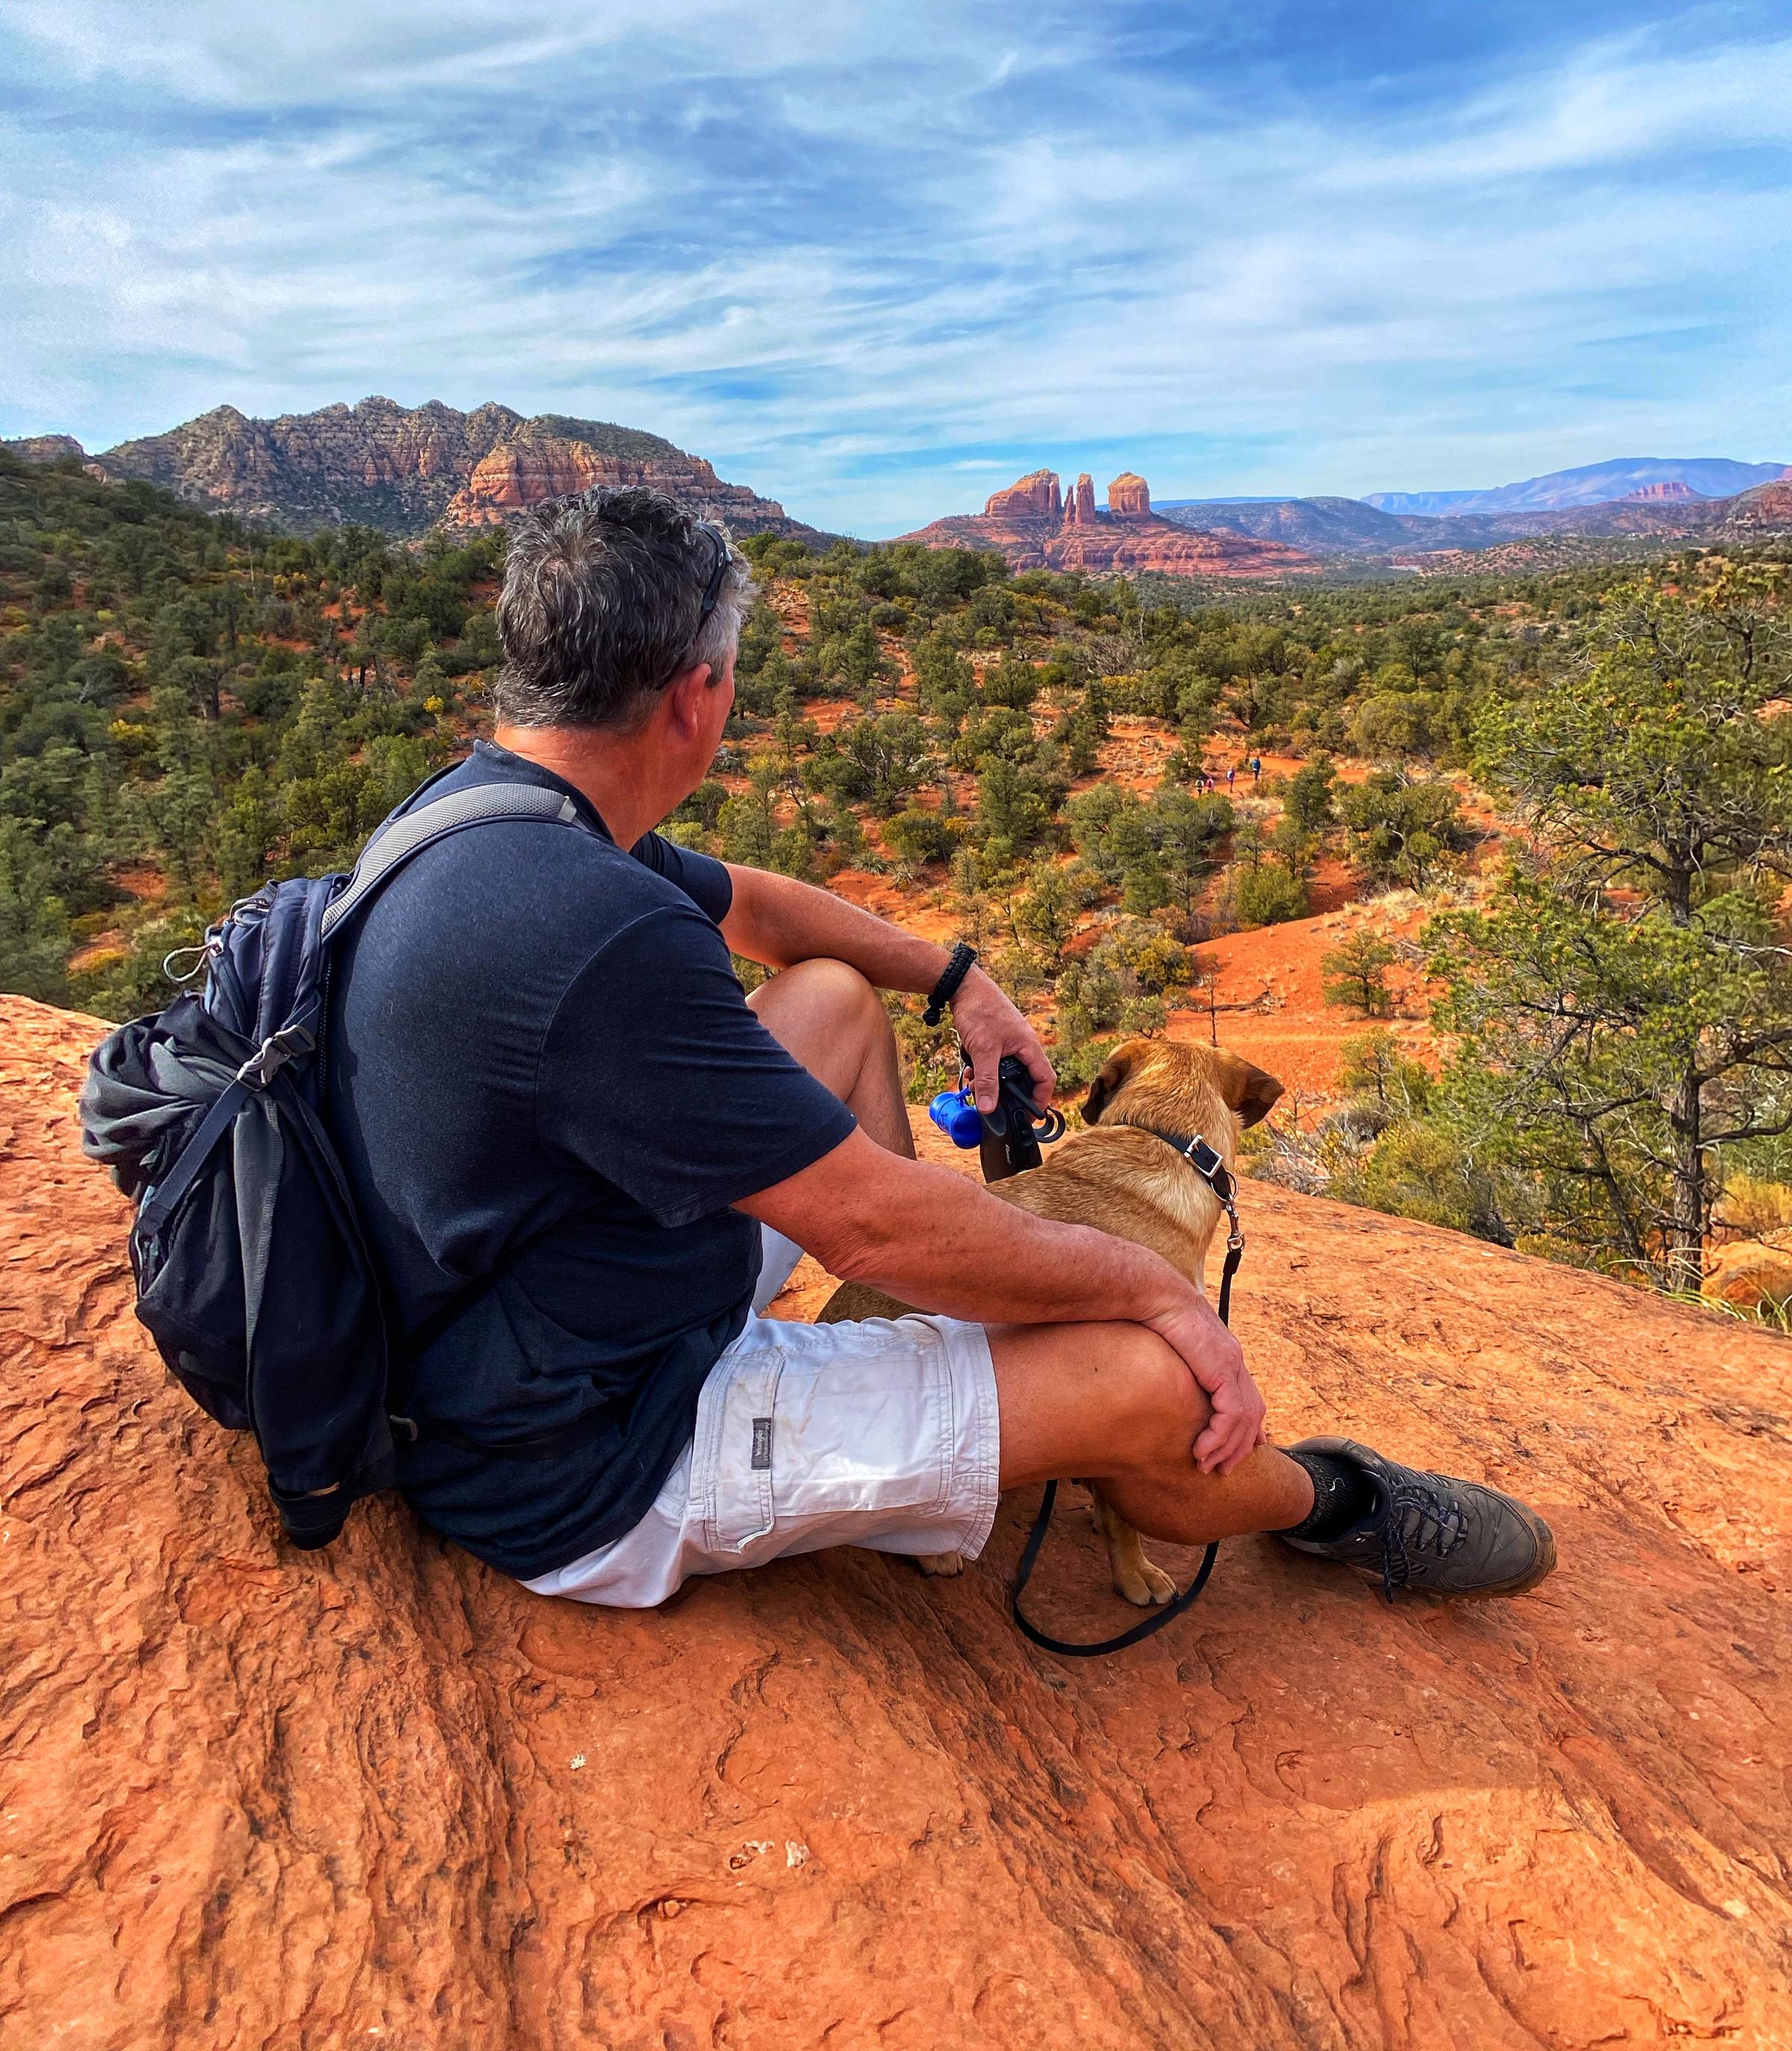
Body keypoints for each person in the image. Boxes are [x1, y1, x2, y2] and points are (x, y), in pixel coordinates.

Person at [326, 489, 1555, 1611]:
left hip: (531, 1307)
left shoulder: (497, 818)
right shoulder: (599, 937)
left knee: (831, 998)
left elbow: (755, 906)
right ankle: (1335, 1504)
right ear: (696, 694)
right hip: (587, 1453)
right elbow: (877, 1229)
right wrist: (1162, 1294)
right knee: (1152, 1385)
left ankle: (905, 1380)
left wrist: (956, 978)